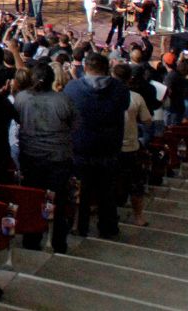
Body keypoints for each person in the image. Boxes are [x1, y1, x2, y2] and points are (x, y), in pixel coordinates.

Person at [64, 52, 130, 239]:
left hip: (80, 146)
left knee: (80, 192)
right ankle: (108, 228)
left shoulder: (72, 88)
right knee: (106, 191)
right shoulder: (120, 89)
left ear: (85, 68)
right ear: (107, 68)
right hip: (109, 148)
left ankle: (79, 226)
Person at [15, 62, 75, 253]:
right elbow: (75, 124)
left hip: (31, 156)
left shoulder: (22, 98)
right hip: (56, 157)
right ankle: (58, 242)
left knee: (33, 198)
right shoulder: (62, 100)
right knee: (58, 200)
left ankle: (31, 239)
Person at [113, 63, 152, 227]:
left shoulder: (105, 95)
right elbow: (147, 120)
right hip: (130, 146)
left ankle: (110, 213)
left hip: (110, 146)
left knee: (110, 182)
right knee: (136, 184)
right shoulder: (135, 97)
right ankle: (138, 216)